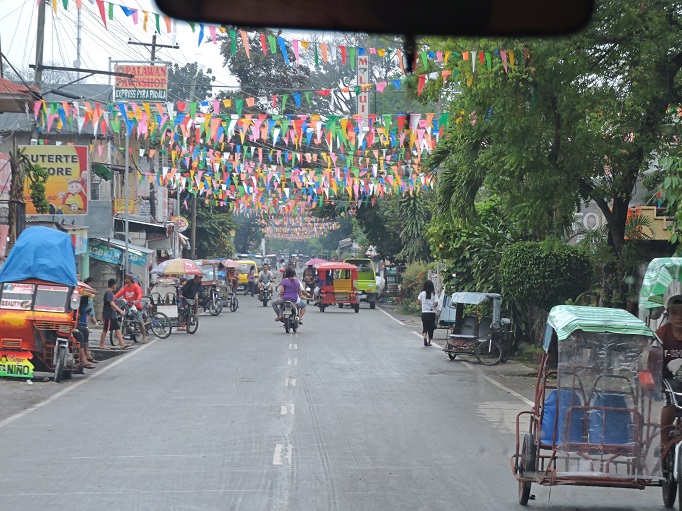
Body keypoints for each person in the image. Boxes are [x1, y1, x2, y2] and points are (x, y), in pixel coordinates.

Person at [658, 295, 682, 447]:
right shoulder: (661, 335)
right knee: (672, 401)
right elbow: (651, 361)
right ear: (668, 314)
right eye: (674, 312)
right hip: (666, 378)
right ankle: (663, 442)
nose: (679, 317)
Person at [99, 278, 131, 350]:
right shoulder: (109, 293)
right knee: (105, 329)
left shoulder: (110, 293)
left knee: (117, 328)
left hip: (112, 315)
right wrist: (120, 311)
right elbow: (111, 303)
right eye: (115, 285)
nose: (116, 286)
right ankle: (101, 345)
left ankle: (122, 344)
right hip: (109, 315)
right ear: (113, 285)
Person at [115, 274, 147, 343]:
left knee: (140, 322)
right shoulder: (125, 287)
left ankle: (144, 336)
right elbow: (119, 293)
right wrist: (113, 298)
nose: (125, 280)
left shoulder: (136, 286)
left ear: (130, 279)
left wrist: (138, 300)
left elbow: (139, 294)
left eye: (126, 278)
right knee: (121, 317)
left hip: (135, 307)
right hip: (127, 306)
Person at [417, 279, 439, 346]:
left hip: (424, 313)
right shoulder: (434, 294)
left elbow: (418, 302)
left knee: (425, 326)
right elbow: (436, 303)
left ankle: (424, 337)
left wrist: (424, 304)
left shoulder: (422, 294)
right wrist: (432, 305)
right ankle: (429, 341)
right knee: (431, 328)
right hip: (432, 313)